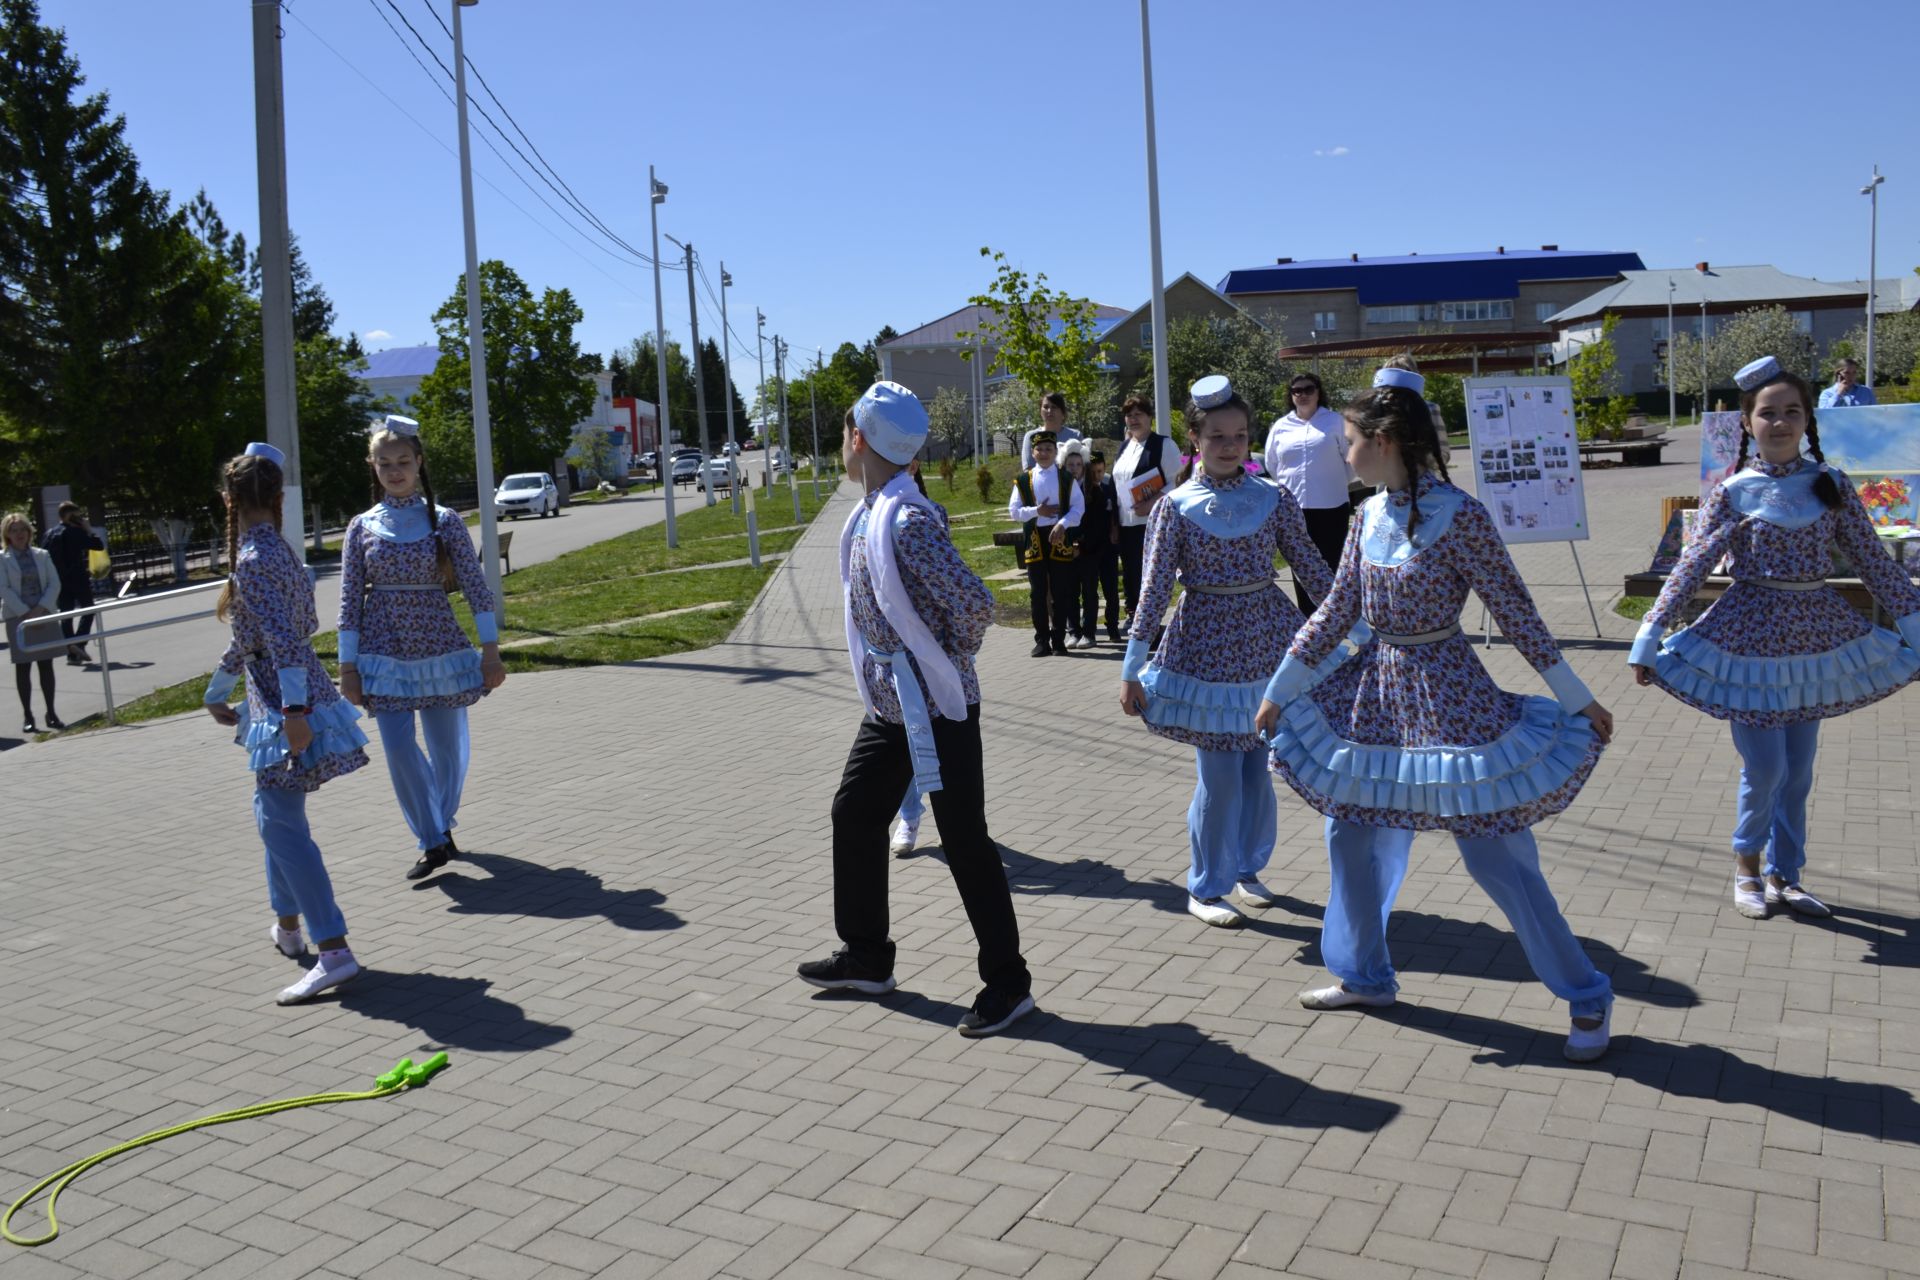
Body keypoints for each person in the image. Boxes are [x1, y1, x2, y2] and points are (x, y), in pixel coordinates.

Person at [1255, 363, 1618, 1062]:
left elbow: (1519, 615)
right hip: (1375, 703)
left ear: (1386, 440)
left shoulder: (1463, 517)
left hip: (1452, 696)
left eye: (1352, 439)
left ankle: (1586, 994)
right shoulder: (1365, 517)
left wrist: (1580, 699)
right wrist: (1281, 687)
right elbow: (1335, 612)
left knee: (1496, 859)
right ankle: (1365, 976)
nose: (1344, 450)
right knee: (1351, 838)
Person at [1631, 355, 1920, 919]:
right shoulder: (1734, 491)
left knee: (1799, 769)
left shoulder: (1829, 485)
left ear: (1808, 419)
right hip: (1749, 640)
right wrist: (1648, 637)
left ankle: (1786, 875)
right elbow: (1692, 567)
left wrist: (1916, 626)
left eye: (1792, 411)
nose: (1780, 423)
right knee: (1765, 768)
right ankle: (1746, 867)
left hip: (1816, 640)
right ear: (1747, 423)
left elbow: (1875, 564)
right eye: (1768, 413)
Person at [798, 381, 1035, 1038]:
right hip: (892, 709)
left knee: (965, 842)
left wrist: (941, 661)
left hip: (936, 709)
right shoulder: (875, 508)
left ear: (857, 439)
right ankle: (868, 956)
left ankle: (1009, 985)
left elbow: (977, 604)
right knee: (855, 812)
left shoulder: (907, 519)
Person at [1121, 376, 1336, 928]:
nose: (1230, 445)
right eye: (1217, 435)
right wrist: (1131, 668)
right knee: (1218, 775)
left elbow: (1311, 567)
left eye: (1240, 435)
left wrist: (1349, 626)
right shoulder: (1174, 506)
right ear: (1195, 439)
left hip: (1267, 640)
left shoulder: (1274, 496)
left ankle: (1246, 868)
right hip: (1205, 647)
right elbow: (1153, 590)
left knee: (1258, 771)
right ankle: (1206, 884)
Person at [203, 444, 370, 1005]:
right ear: (277, 500)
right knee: (272, 814)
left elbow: (279, 641)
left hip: (284, 706)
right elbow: (255, 635)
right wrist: (218, 687)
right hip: (281, 700)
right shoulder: (282, 556)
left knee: (282, 826)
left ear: (228, 501)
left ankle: (334, 951)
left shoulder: (253, 560)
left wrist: (294, 714)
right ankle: (290, 925)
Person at [338, 415, 506, 880]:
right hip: (383, 650)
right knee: (398, 747)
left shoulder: (444, 521)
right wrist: (347, 667)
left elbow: (476, 587)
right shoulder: (361, 527)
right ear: (372, 466)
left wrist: (490, 651)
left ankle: (441, 822)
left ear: (419, 463)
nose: (395, 471)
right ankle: (431, 838)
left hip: (439, 643)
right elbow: (350, 599)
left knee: (447, 748)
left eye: (404, 461)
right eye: (385, 463)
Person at [890, 454, 947, 858]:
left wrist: (957, 647)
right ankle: (909, 814)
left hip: (933, 649)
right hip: (893, 654)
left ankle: (956, 819)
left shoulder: (928, 515)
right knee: (906, 738)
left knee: (940, 737)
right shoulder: (868, 515)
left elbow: (955, 589)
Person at [1263, 373, 1355, 614]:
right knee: (1300, 566)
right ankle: (1308, 619)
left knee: (1331, 565)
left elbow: (1351, 462)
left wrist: (1330, 483)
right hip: (1294, 510)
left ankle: (1335, 620)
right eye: (1296, 390)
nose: (1302, 394)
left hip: (1331, 506)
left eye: (1308, 389)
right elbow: (1272, 465)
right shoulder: (1281, 427)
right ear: (1291, 395)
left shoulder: (1336, 421)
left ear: (1318, 392)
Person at [1007, 429, 1084, 656]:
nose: (1043, 453)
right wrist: (1036, 511)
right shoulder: (1023, 480)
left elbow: (1079, 508)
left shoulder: (1066, 478)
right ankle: (1042, 640)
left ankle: (1059, 639)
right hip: (1034, 540)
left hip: (1059, 536)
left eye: (1048, 449)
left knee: (1061, 590)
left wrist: (1063, 524)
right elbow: (1014, 511)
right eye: (1039, 449)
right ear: (1033, 452)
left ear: (1055, 451)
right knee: (1038, 592)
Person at [1109, 395, 1180, 630]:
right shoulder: (1125, 446)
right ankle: (1133, 616)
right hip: (1125, 523)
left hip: (1151, 522)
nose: (1133, 419)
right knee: (1130, 573)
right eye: (1129, 415)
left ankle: (1149, 621)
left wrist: (1152, 503)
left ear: (1150, 417)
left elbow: (1177, 482)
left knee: (1148, 574)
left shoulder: (1163, 444)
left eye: (1139, 414)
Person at [2, 511, 62, 732]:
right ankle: (28, 716)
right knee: (23, 667)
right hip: (18, 618)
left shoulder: (42, 555)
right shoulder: (2, 558)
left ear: (29, 532)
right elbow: (4, 589)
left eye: (22, 530)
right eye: (13, 530)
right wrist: (26, 614)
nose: (19, 534)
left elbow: (54, 584)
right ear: (7, 535)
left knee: (46, 664)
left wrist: (40, 609)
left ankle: (52, 713)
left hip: (44, 613)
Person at [1060, 440, 1113, 647]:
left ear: (1084, 466)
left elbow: (1098, 524)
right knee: (1069, 591)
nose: (1074, 469)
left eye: (1078, 465)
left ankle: (1089, 633)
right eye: (1070, 465)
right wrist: (1068, 543)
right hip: (1065, 549)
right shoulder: (1060, 490)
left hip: (1089, 549)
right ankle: (1073, 631)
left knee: (1089, 591)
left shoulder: (1094, 491)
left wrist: (1080, 544)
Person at [42, 501, 103, 665]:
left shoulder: (49, 533)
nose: (80, 518)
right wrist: (88, 529)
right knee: (89, 610)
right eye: (77, 514)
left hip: (59, 580)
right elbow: (98, 545)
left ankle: (71, 651)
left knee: (66, 614)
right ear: (70, 515)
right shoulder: (75, 532)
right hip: (78, 578)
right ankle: (79, 644)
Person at [1018, 390, 1083, 468]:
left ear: (1063, 412)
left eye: (1054, 407)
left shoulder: (1075, 436)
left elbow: (1082, 467)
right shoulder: (1031, 436)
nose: (1049, 411)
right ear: (1040, 411)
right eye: (1045, 407)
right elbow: (1028, 468)